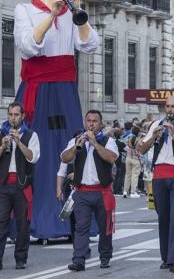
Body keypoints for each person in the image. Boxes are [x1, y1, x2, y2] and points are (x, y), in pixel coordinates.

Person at [14, 0, 100, 239]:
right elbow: (29, 46)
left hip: (64, 91)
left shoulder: (71, 11)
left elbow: (90, 44)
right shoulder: (24, 9)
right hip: (37, 91)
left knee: (69, 148)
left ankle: (72, 218)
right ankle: (34, 221)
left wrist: (77, 13)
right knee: (35, 152)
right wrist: (52, 14)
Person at [137, 96, 174, 273]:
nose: (170, 110)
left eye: (173, 107)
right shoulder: (156, 124)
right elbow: (142, 149)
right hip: (159, 176)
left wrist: (173, 135)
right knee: (164, 218)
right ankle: (165, 257)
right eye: (167, 106)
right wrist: (154, 135)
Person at [61, 110, 118, 272]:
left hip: (102, 191)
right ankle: (79, 260)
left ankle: (105, 256)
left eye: (95, 121)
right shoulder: (76, 140)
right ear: (85, 123)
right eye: (88, 121)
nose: (91, 124)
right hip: (82, 191)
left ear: (100, 124)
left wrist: (94, 143)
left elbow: (111, 158)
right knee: (81, 227)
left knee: (105, 227)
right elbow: (64, 158)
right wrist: (76, 147)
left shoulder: (108, 141)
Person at [0, 102, 40, 270]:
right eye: (10, 114)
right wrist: (3, 146)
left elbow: (33, 158)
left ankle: (21, 258)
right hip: (3, 184)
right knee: (0, 222)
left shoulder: (31, 135)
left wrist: (19, 142)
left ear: (22, 116)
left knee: (22, 224)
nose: (13, 118)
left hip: (21, 185)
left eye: (16, 115)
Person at [123, 125, 142, 198]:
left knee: (127, 175)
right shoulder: (138, 140)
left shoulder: (129, 138)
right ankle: (133, 192)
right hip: (136, 159)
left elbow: (126, 145)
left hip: (128, 158)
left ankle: (125, 191)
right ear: (138, 132)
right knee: (134, 176)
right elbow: (140, 148)